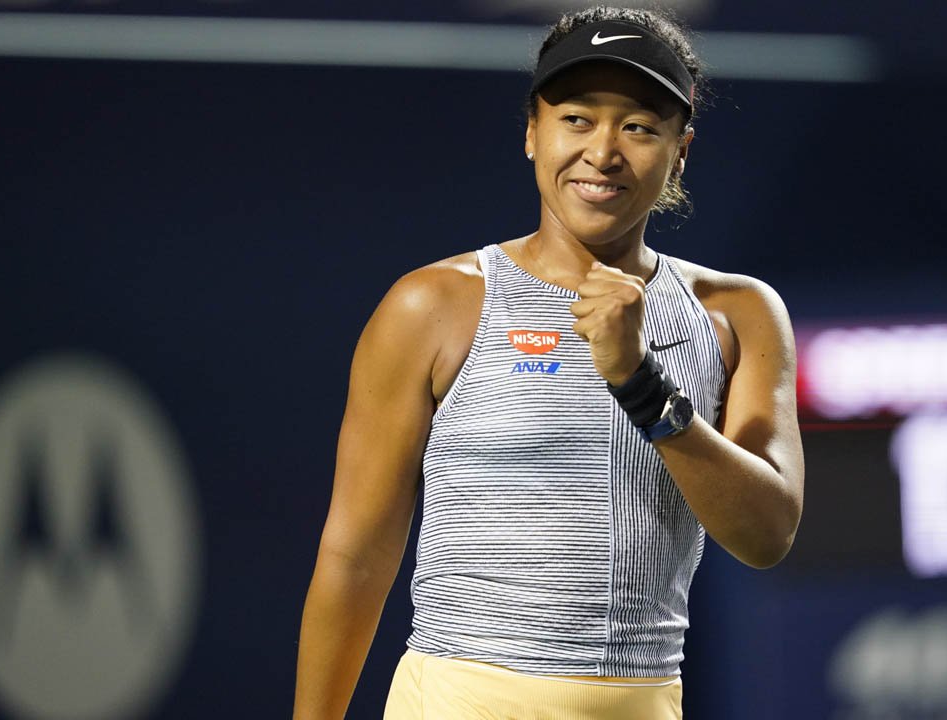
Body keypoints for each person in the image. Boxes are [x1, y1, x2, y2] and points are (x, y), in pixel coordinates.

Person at [292, 6, 804, 719]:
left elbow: (767, 535)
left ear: (680, 150)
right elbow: (355, 556)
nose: (603, 151)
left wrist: (640, 385)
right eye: (577, 119)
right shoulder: (433, 305)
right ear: (532, 131)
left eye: (639, 127)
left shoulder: (739, 313)